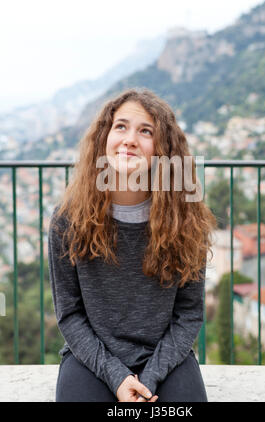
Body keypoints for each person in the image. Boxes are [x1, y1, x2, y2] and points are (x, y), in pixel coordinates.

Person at [48, 87, 217, 402]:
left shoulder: (186, 222)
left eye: (146, 131)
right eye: (120, 126)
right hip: (91, 358)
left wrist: (148, 380)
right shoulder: (67, 221)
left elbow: (189, 314)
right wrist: (116, 376)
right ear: (105, 138)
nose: (129, 139)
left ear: (163, 150)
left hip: (166, 357)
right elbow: (70, 314)